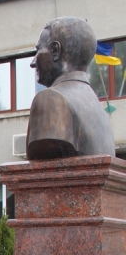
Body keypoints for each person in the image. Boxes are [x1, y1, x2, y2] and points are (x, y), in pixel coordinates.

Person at [26, 17, 116, 160]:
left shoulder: (51, 99)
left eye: (38, 51)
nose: (33, 63)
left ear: (55, 50)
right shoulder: (100, 113)